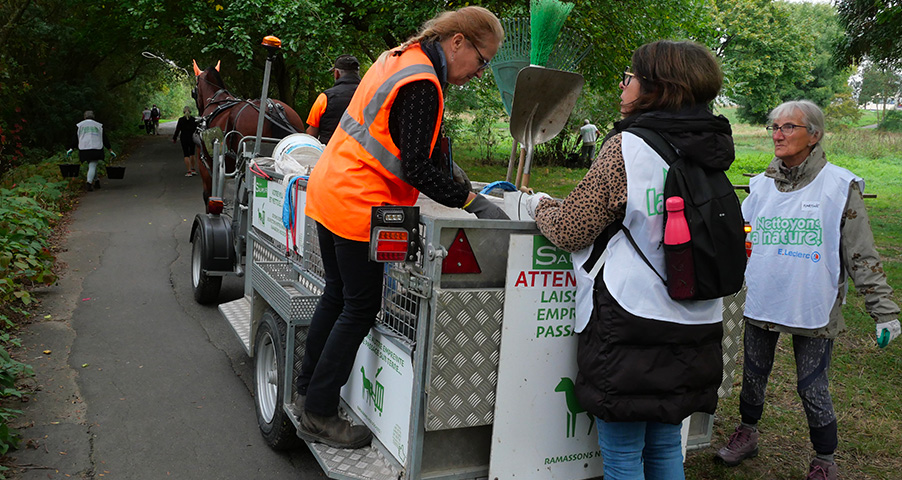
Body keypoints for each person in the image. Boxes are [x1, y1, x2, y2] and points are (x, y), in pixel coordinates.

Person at [296, 5, 509, 449]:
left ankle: (306, 390)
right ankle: (318, 412)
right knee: (358, 306)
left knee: (337, 295)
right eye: (482, 60)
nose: (480, 72)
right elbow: (414, 167)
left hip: (330, 188)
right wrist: (471, 201)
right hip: (359, 202)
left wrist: (452, 175)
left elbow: (401, 142)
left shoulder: (399, 57)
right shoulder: (423, 83)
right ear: (457, 42)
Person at [527, 40, 731, 479]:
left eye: (631, 76)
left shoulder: (628, 147)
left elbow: (571, 228)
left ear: (657, 87)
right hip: (696, 321)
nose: (625, 84)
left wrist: (538, 205)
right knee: (663, 445)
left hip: (630, 320)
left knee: (621, 456)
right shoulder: (712, 151)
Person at [715, 100, 900, 480]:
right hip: (764, 296)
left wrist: (884, 310)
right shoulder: (761, 185)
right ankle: (747, 433)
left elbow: (860, 253)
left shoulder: (839, 186)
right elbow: (738, 236)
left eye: (788, 127)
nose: (777, 135)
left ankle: (825, 460)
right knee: (753, 373)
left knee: (811, 384)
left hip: (812, 302)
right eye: (774, 127)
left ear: (813, 135)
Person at [306, 55, 362, 144]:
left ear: (337, 73)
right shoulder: (370, 95)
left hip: (330, 153)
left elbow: (312, 133)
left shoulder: (325, 97)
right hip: (360, 154)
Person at [68, 110, 115, 191]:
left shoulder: (80, 125)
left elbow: (75, 138)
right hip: (96, 148)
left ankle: (96, 181)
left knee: (92, 165)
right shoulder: (98, 125)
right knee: (93, 165)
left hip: (84, 149)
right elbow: (104, 138)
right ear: (93, 117)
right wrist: (110, 149)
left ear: (84, 117)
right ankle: (89, 183)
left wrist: (71, 148)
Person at [172, 106, 198, 176]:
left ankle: (189, 171)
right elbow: (197, 130)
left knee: (186, 154)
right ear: (190, 111)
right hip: (192, 138)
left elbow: (177, 130)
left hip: (184, 138)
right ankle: (193, 169)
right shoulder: (194, 119)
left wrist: (174, 138)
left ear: (183, 112)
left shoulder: (181, 120)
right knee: (192, 153)